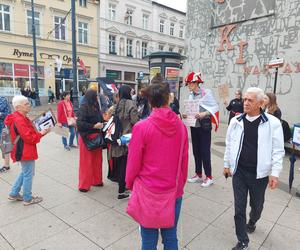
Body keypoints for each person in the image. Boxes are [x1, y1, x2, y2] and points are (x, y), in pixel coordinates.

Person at [126, 83, 189, 250]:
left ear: (149, 101)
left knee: (148, 239)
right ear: (169, 99)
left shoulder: (141, 127)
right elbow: (184, 161)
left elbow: (133, 162)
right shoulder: (181, 127)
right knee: (170, 236)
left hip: (148, 190)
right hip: (173, 191)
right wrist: (180, 186)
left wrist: (129, 183)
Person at [223, 87, 285, 250]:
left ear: (260, 103)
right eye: (245, 99)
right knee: (239, 208)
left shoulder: (273, 123)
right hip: (240, 172)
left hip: (260, 174)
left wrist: (275, 173)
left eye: (250, 100)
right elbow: (229, 144)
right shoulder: (235, 122)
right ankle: (242, 240)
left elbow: (278, 150)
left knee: (257, 206)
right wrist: (226, 165)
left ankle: (253, 220)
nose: (246, 103)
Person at [4, 95, 49, 205]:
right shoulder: (19, 119)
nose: (29, 105)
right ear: (18, 107)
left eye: (28, 103)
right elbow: (29, 138)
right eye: (26, 104)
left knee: (25, 172)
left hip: (22, 149)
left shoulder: (18, 117)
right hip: (24, 150)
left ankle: (14, 193)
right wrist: (41, 133)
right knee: (29, 174)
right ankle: (27, 198)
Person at [183, 72, 219, 187]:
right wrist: (185, 115)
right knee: (196, 151)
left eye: (189, 83)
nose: (188, 85)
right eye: (188, 84)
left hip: (204, 126)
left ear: (196, 83)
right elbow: (190, 110)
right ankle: (198, 174)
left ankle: (209, 177)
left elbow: (214, 107)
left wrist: (204, 113)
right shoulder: (191, 95)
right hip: (194, 126)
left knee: (205, 152)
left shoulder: (206, 93)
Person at [111, 84, 139, 199]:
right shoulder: (131, 104)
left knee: (120, 162)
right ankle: (122, 190)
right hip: (128, 138)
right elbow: (135, 121)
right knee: (126, 164)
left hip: (118, 137)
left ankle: (121, 186)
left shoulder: (117, 104)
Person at [77, 89, 104, 192]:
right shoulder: (83, 108)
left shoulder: (96, 107)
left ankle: (97, 180)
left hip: (96, 137)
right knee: (86, 162)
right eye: (95, 96)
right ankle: (84, 185)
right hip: (86, 138)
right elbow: (79, 124)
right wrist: (94, 126)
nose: (97, 98)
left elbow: (100, 119)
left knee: (97, 161)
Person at [0, 97, 11, 173]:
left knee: (4, 146)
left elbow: (8, 114)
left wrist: (0, 114)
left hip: (3, 127)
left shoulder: (3, 100)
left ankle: (6, 165)